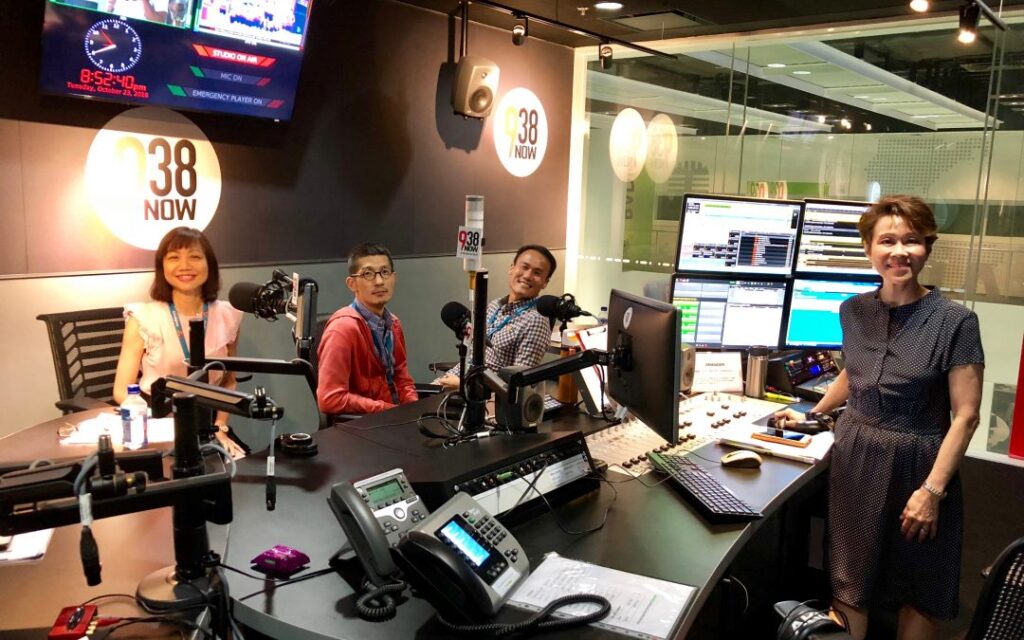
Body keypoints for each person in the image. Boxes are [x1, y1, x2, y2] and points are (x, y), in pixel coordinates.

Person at [774, 195, 984, 640]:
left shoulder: (955, 322)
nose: (899, 252)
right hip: (857, 458)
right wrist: (813, 413)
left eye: (912, 240)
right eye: (887, 241)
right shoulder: (853, 310)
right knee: (851, 576)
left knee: (918, 584)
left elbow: (966, 416)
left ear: (928, 246)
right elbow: (856, 370)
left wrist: (933, 491)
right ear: (869, 249)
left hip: (921, 462)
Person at [113, 226, 245, 458]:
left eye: (194, 256)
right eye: (174, 258)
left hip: (209, 427)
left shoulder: (228, 314)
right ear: (162, 266)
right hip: (159, 422)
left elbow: (228, 382)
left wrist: (221, 429)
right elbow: (121, 390)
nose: (185, 266)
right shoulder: (143, 318)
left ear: (209, 264)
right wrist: (162, 426)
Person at [316, 243, 418, 417]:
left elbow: (402, 379)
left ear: (394, 277)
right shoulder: (342, 330)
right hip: (363, 429)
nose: (379, 281)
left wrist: (412, 411)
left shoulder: (394, 324)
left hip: (393, 421)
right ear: (352, 283)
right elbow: (330, 398)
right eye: (368, 274)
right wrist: (387, 410)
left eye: (385, 272)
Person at [435, 244, 556, 390]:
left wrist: (464, 383)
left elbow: (518, 385)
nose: (528, 275)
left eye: (537, 273)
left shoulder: (536, 320)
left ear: (545, 282)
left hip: (481, 397)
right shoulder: (495, 305)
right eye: (524, 267)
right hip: (455, 379)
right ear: (511, 268)